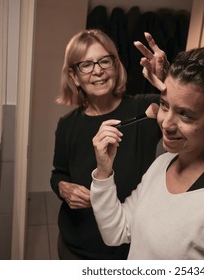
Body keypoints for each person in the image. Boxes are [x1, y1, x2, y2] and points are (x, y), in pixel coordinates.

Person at [90, 46, 204, 259]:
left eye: (185, 115)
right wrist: (103, 171)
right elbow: (116, 232)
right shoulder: (162, 164)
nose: (166, 123)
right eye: (164, 106)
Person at [50, 29, 168, 259]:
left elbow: (185, 107)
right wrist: (62, 188)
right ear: (74, 76)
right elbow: (59, 173)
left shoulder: (145, 109)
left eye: (104, 60)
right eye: (86, 64)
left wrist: (167, 79)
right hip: (76, 243)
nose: (98, 71)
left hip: (128, 243)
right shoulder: (67, 125)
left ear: (116, 66)